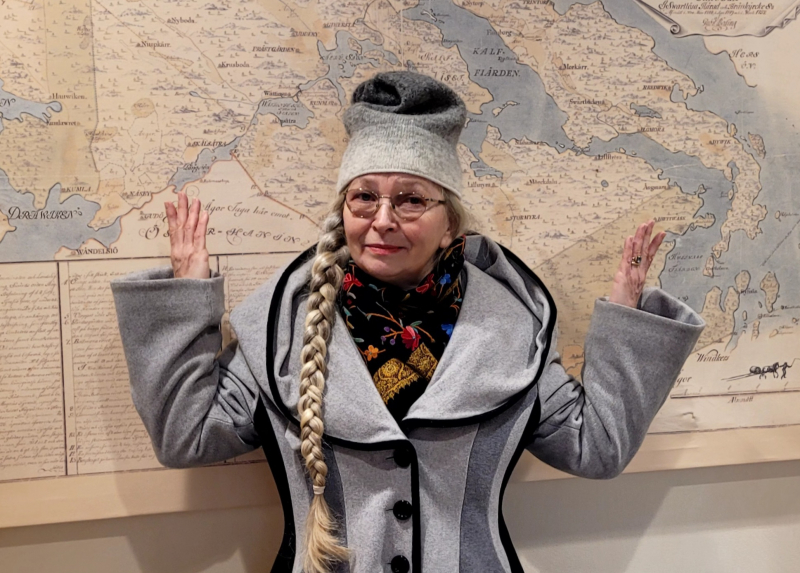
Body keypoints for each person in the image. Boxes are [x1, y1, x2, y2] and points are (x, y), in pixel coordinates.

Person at [111, 71, 705, 573]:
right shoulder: (284, 330)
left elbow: (596, 448)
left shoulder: (512, 330)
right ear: (343, 211)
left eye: (411, 199)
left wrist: (628, 321)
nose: (382, 219)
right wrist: (186, 297)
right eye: (363, 197)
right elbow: (186, 437)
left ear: (451, 223)